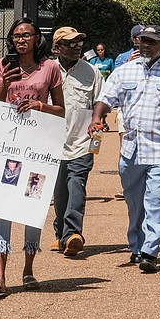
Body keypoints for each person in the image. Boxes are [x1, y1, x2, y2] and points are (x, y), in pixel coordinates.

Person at [89, 26, 160, 273]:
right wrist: (97, 117)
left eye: (151, 42)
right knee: (134, 202)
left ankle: (150, 251)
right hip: (131, 148)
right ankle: (137, 247)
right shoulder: (124, 71)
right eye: (142, 41)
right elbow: (106, 99)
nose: (145, 46)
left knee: (156, 199)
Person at [0, 17, 65, 294]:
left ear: (36, 39)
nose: (21, 39)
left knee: (32, 207)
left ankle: (29, 270)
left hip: (38, 147)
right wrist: (3, 85)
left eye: (26, 35)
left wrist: (39, 104)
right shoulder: (3, 67)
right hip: (8, 146)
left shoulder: (50, 68)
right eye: (16, 35)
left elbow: (61, 110)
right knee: (3, 208)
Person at [49, 26, 103, 257]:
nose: (76, 46)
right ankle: (61, 233)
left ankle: (73, 233)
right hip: (52, 141)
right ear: (56, 47)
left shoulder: (92, 72)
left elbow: (101, 101)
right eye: (70, 43)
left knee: (76, 184)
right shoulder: (47, 71)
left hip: (82, 141)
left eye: (79, 42)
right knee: (59, 191)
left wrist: (98, 120)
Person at [112, 24, 143, 200]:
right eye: (138, 37)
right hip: (126, 108)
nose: (141, 40)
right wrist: (128, 62)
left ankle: (141, 184)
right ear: (133, 39)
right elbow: (114, 81)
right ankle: (126, 185)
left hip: (145, 108)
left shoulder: (153, 56)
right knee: (126, 147)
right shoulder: (122, 57)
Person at [88, 43, 113, 131]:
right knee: (95, 103)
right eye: (98, 50)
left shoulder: (109, 61)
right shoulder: (93, 61)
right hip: (95, 85)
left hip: (105, 85)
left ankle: (104, 121)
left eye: (101, 50)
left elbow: (113, 73)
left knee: (103, 102)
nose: (100, 52)